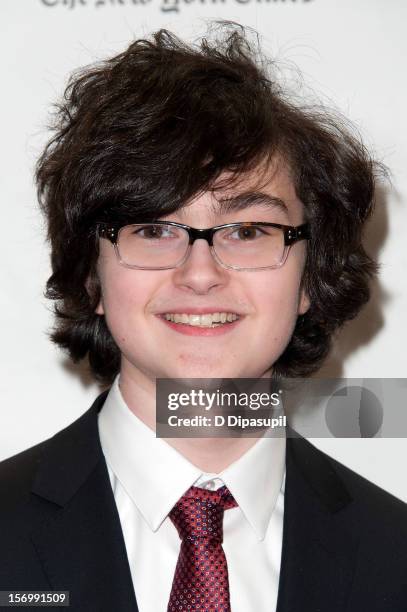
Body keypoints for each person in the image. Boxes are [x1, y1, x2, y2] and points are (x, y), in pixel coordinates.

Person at [1, 23, 406, 612]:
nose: (199, 273)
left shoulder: (394, 555)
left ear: (308, 278)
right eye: (153, 229)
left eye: (247, 231)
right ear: (92, 276)